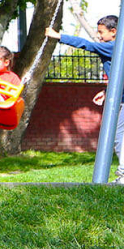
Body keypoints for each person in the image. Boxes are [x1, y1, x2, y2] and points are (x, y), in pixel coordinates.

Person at [48, 15, 124, 180]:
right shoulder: (117, 48)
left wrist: (59, 36)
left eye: (101, 32)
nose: (98, 36)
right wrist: (107, 91)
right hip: (121, 99)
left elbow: (86, 44)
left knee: (119, 138)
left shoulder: (113, 46)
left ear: (114, 32)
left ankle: (123, 173)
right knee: (118, 137)